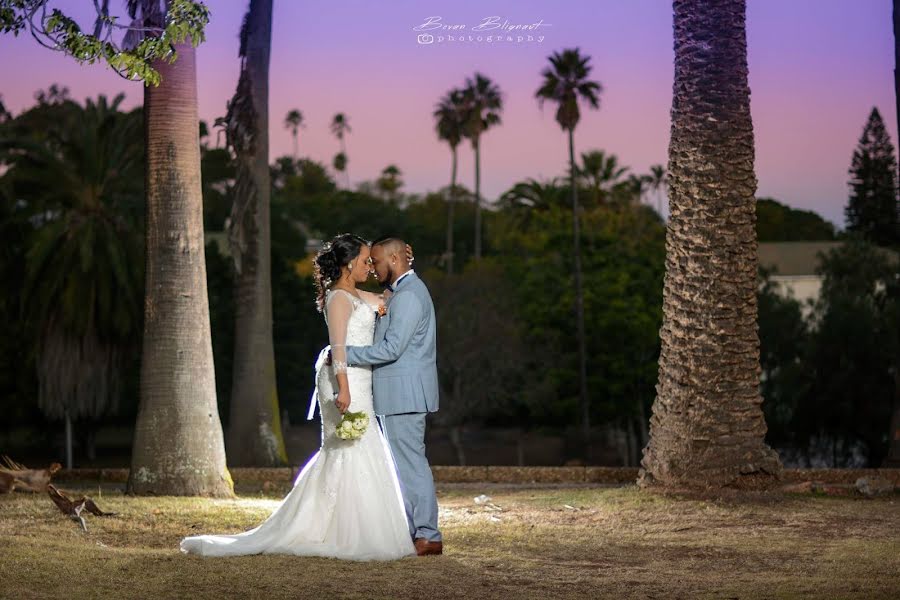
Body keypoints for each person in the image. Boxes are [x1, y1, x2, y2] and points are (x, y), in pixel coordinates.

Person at [179, 234, 415, 561]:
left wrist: (400, 279)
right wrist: (344, 388)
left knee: (363, 442)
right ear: (348, 265)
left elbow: (382, 301)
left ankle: (353, 523)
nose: (369, 267)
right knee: (344, 445)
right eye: (364, 261)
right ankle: (327, 528)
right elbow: (339, 347)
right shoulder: (338, 300)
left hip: (363, 379)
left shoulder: (356, 294)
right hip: (343, 379)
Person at [344, 236, 443, 556]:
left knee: (411, 465)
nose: (372, 268)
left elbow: (391, 348)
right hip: (398, 394)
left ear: (395, 260)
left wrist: (344, 354)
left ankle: (428, 535)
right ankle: (417, 531)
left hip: (405, 394)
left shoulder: (410, 296)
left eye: (376, 261)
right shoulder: (401, 292)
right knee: (404, 466)